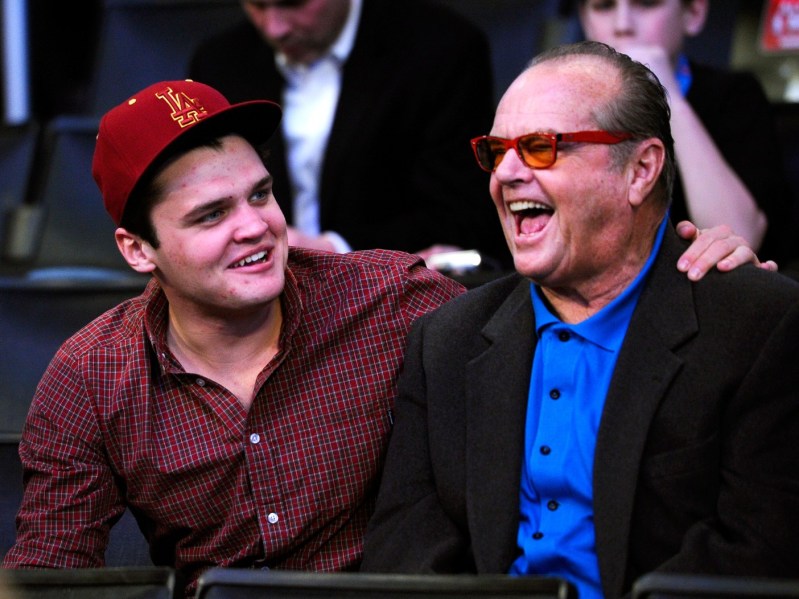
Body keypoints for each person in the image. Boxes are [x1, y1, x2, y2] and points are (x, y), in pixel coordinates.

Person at [0, 77, 773, 597]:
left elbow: (566, 298)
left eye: (260, 194)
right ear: (138, 250)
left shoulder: (394, 300)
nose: (255, 229)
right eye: (209, 216)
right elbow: (45, 577)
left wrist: (700, 268)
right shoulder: (92, 375)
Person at [359, 41, 799, 599]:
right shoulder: (446, 338)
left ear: (641, 170)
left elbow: (757, 552)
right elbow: (406, 552)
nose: (507, 174)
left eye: (541, 148)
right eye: (497, 152)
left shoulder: (758, 326)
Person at [187, 0, 509, 268]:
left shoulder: (442, 48)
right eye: (257, 5)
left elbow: (465, 213)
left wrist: (334, 248)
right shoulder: (219, 62)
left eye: (292, 3)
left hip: (389, 288)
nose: (275, 28)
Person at [574, 0, 795, 262]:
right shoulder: (560, 105)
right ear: (585, 20)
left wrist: (669, 96)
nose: (623, 25)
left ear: (693, 13)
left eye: (646, 4)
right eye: (603, 6)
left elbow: (740, 238)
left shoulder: (733, 96)